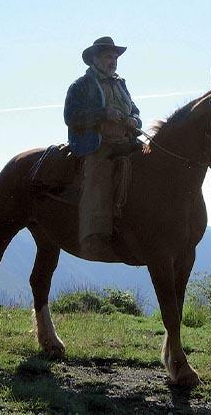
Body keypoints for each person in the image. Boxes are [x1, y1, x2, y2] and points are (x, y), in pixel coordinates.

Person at [63, 37, 142, 258]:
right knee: (98, 175)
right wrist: (103, 114)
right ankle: (93, 236)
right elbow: (71, 117)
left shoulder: (120, 84)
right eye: (109, 56)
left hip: (126, 141)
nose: (113, 61)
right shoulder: (81, 86)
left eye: (115, 57)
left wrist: (134, 120)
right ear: (95, 59)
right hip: (98, 144)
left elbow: (135, 110)